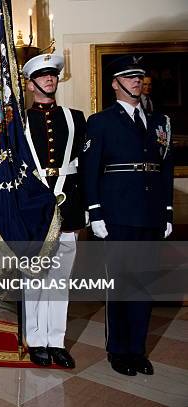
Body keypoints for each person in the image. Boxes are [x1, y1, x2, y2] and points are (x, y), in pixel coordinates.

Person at [81, 55, 173, 376]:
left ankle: (137, 349)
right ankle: (118, 351)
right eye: (129, 76)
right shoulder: (101, 122)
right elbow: (90, 172)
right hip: (117, 215)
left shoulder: (159, 121)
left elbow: (165, 168)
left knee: (144, 285)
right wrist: (95, 213)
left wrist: (167, 211)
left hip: (149, 215)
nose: (137, 81)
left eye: (140, 76)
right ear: (115, 84)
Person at [21, 54, 86, 369]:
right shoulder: (18, 122)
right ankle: (35, 340)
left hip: (67, 206)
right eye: (42, 76)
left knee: (60, 278)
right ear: (31, 83)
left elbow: (83, 169)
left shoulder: (75, 117)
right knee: (35, 277)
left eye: (53, 75)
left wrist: (84, 212)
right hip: (34, 209)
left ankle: (56, 341)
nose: (49, 79)